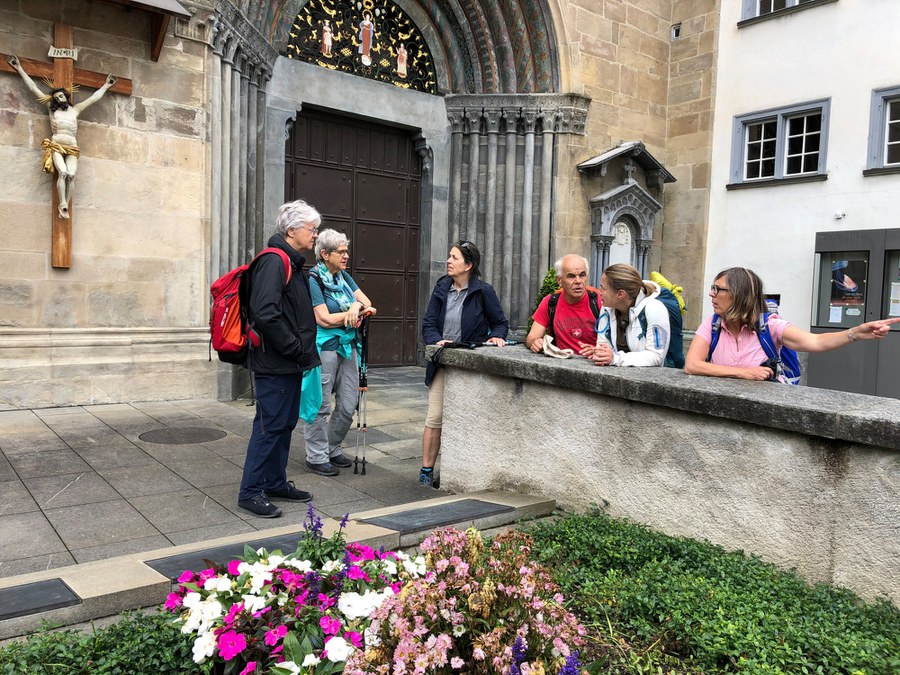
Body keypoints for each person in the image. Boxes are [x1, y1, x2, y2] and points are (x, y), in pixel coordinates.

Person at [237, 200, 322, 518]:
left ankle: (274, 482)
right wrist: (294, 348)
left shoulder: (291, 261)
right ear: (291, 230)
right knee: (269, 426)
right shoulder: (275, 261)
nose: (315, 235)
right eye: (311, 229)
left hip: (288, 361)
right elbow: (265, 312)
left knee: (284, 423)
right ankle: (250, 491)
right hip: (276, 360)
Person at [684, 266, 900, 381]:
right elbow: (692, 365)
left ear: (739, 295)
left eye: (718, 289)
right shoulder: (712, 324)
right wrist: (743, 372)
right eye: (713, 287)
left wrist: (855, 333)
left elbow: (815, 342)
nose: (711, 294)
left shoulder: (770, 326)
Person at [420, 241, 509, 487]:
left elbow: (500, 322)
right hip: (442, 362)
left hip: (469, 367)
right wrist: (437, 341)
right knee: (435, 417)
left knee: (465, 419)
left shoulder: (483, 291)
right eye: (449, 256)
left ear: (468, 265)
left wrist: (497, 337)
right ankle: (426, 470)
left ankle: (459, 470)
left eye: (454, 258)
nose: (448, 261)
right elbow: (428, 324)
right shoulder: (441, 288)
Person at [7, 54, 117, 219]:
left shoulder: (76, 109)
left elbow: (93, 98)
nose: (60, 98)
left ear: (66, 96)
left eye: (62, 95)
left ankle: (65, 205)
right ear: (55, 100)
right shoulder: (52, 110)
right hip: (57, 145)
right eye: (57, 97)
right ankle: (62, 204)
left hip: (72, 146)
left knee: (71, 175)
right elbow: (33, 88)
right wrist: (19, 68)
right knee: (63, 173)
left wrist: (106, 86)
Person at [303, 229, 376, 476]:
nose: (346, 255)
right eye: (341, 251)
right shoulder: (314, 279)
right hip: (324, 348)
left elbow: (368, 304)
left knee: (348, 403)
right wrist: (352, 315)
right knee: (320, 404)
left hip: (348, 346)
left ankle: (332, 448)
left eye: (347, 250)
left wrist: (356, 306)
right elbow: (323, 319)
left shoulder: (344, 277)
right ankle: (316, 456)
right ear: (325, 254)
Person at [588, 263, 671, 367]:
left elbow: (656, 355)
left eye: (603, 288)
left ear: (620, 294)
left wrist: (616, 358)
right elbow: (603, 344)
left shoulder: (655, 309)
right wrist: (600, 353)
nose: (599, 292)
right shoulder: (607, 308)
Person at [526, 254, 599, 357]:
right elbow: (531, 337)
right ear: (559, 280)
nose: (578, 281)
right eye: (571, 276)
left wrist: (599, 350)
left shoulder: (598, 302)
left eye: (582, 275)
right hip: (562, 364)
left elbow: (615, 345)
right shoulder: (550, 303)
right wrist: (536, 343)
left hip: (594, 365)